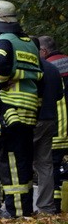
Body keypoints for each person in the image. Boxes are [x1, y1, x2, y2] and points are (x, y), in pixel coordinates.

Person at [0, 0, 41, 218]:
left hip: (9, 108)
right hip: (28, 107)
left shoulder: (4, 40)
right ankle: (24, 207)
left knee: (10, 159)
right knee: (23, 158)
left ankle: (13, 210)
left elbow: (2, 65)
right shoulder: (29, 42)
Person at [38, 37, 68, 211]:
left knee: (51, 163)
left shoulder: (47, 68)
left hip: (58, 121)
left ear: (43, 51)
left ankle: (55, 205)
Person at [33, 52, 65, 214]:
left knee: (20, 160)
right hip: (50, 120)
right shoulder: (53, 69)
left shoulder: (28, 67)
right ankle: (46, 207)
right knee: (45, 164)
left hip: (30, 120)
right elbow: (59, 95)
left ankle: (20, 205)